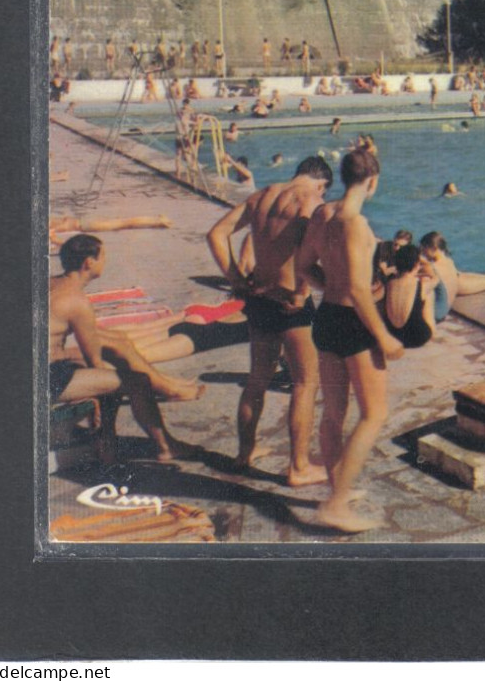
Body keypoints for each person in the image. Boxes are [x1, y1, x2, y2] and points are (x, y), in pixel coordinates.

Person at [293, 148, 403, 532]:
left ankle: (335, 488)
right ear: (372, 181)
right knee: (374, 414)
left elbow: (303, 267)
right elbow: (359, 289)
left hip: (327, 319)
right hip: (355, 324)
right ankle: (337, 504)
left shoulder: (323, 215)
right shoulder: (356, 224)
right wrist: (384, 336)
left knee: (334, 413)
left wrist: (330, 287)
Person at [207, 154, 334, 485]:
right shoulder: (312, 201)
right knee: (305, 384)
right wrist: (301, 290)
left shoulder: (260, 196)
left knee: (257, 379)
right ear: (321, 183)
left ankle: (244, 453)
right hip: (291, 305)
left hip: (259, 298)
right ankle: (299, 467)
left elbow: (216, 235)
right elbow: (308, 246)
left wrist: (235, 279)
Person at [49, 235, 196, 463]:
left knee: (115, 350)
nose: (105, 261)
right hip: (47, 379)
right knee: (134, 381)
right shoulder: (76, 301)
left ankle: (108, 441)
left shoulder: (53, 283)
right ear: (89, 262)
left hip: (43, 364)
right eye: (103, 256)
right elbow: (95, 363)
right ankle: (162, 446)